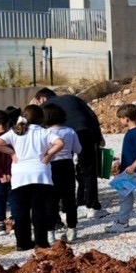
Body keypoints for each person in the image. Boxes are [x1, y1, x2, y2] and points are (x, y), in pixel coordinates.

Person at [0, 105, 63, 250]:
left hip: (20, 175)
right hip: (40, 174)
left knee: (21, 211)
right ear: (41, 118)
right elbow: (60, 143)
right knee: (39, 210)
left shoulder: (16, 132)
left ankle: (22, 243)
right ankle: (41, 241)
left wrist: (11, 153)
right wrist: (48, 155)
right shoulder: (44, 132)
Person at [34, 88, 105, 219]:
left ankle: (77, 204)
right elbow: (91, 115)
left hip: (59, 138)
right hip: (84, 131)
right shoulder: (73, 98)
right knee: (88, 170)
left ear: (42, 99)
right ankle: (93, 206)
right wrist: (98, 136)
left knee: (66, 171)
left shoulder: (44, 107)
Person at [43, 102, 83, 242]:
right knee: (69, 199)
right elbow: (78, 149)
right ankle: (72, 230)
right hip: (67, 166)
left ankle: (50, 233)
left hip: (50, 166)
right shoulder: (70, 131)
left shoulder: (45, 133)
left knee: (50, 200)